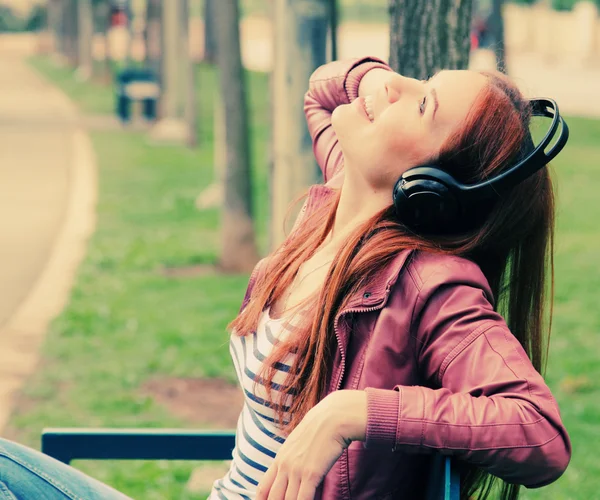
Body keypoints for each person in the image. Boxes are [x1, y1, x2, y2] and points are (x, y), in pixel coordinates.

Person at [0, 57, 570, 500]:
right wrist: (383, 84)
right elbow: (324, 90)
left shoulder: (432, 284)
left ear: (430, 187)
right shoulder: (337, 205)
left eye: (424, 105)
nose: (393, 85)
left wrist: (351, 413)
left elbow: (539, 432)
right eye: (418, 80)